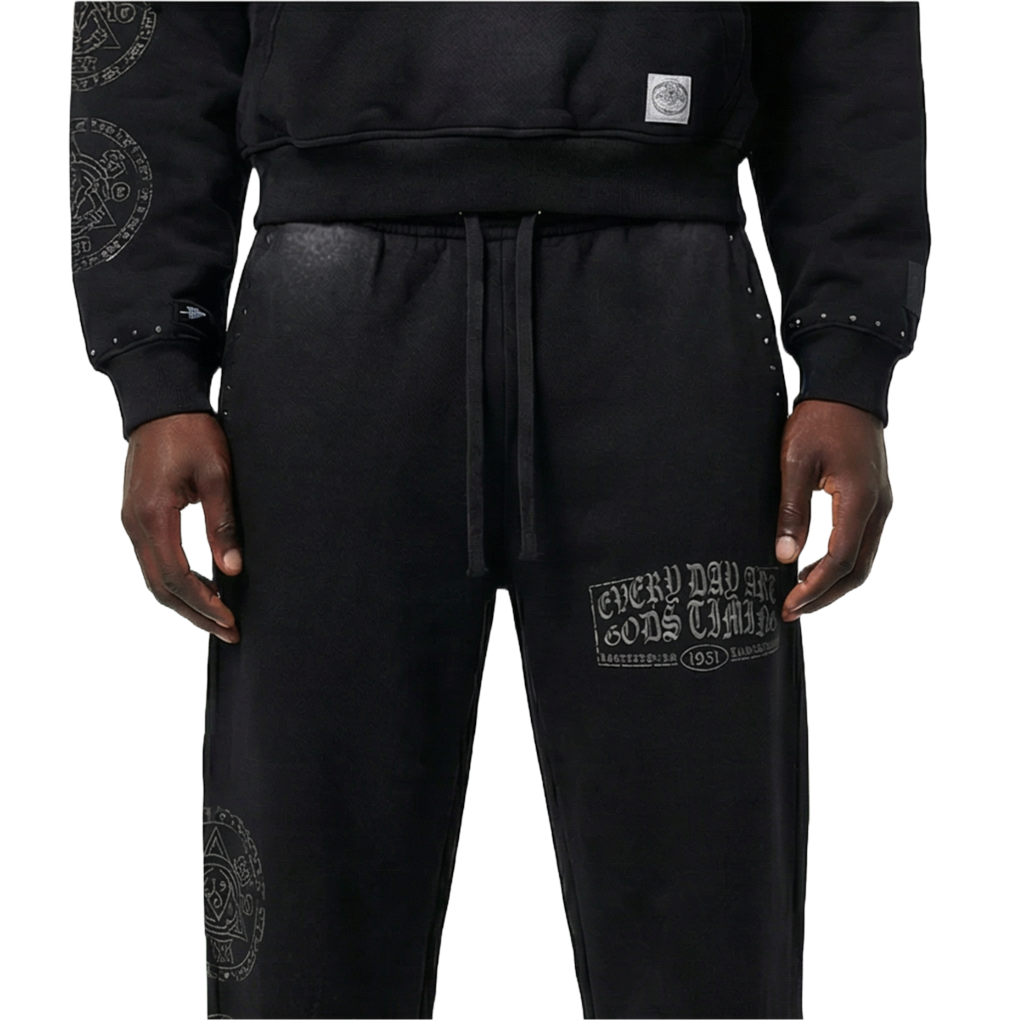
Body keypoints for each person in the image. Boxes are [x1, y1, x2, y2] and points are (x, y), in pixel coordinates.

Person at [68, 3, 929, 1017]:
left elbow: (845, 31)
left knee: (705, 882)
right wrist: (155, 373)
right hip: (330, 326)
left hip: (665, 316)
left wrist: (850, 360)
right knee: (305, 882)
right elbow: (160, 31)